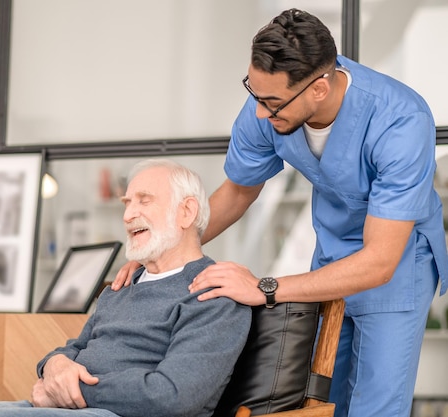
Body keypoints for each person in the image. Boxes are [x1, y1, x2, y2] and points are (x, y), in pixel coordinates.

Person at [113, 9, 448, 417]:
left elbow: (379, 262)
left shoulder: (401, 122)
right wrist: (160, 253)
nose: (259, 113)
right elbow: (238, 191)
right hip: (332, 248)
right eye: (254, 94)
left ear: (319, 89)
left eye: (270, 102)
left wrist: (266, 288)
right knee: (317, 398)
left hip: (397, 261)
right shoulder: (269, 102)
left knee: (373, 405)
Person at [0, 158, 252, 417]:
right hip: (69, 406)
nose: (127, 215)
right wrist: (54, 365)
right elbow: (74, 349)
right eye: (126, 203)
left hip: (121, 414)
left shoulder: (213, 291)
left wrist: (67, 389)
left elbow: (175, 397)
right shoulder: (121, 286)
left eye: (144, 201)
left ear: (187, 213)